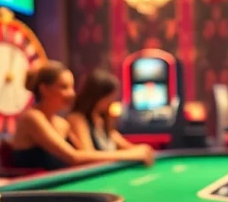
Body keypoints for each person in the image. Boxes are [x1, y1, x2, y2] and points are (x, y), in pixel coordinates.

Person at [10, 61, 153, 170]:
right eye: (64, 87)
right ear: (44, 89)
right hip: (35, 198)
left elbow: (87, 156)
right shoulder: (31, 117)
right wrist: (132, 155)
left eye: (72, 87)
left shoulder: (61, 123)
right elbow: (74, 157)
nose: (72, 93)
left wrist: (136, 151)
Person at [67, 69, 155, 163]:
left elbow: (128, 147)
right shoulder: (77, 119)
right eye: (110, 97)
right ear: (97, 96)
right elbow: (88, 155)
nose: (112, 101)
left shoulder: (102, 119)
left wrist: (143, 149)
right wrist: (130, 155)